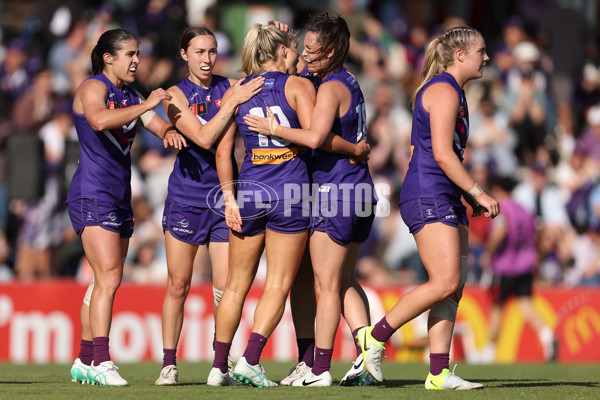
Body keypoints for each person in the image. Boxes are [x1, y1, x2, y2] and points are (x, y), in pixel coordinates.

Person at [354, 26, 500, 390]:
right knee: (446, 280)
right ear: (460, 55)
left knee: (453, 287)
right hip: (429, 193)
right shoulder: (443, 90)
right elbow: (441, 153)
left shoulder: (454, 92)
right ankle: (376, 337)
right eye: (481, 51)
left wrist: (465, 195)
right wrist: (478, 192)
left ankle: (437, 374)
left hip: (445, 193)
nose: (487, 57)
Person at [245, 12, 378, 387]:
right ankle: (369, 356)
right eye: (301, 51)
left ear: (332, 50)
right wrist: (284, 50)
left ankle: (319, 368)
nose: (305, 58)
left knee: (327, 285)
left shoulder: (332, 86)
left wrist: (274, 128)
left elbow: (316, 137)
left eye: (312, 52)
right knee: (345, 279)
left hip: (336, 190)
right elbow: (297, 81)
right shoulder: (340, 79)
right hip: (358, 189)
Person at [66, 29, 186, 386]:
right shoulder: (93, 87)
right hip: (92, 193)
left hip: (119, 196)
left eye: (138, 53)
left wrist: (171, 132)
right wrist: (147, 104)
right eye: (129, 54)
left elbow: (157, 124)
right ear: (108, 57)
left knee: (101, 282)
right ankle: (102, 361)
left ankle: (85, 360)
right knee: (109, 277)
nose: (136, 59)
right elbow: (100, 120)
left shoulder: (130, 94)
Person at [154, 26, 264, 386]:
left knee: (226, 286)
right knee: (178, 285)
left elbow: (269, 74)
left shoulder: (227, 85)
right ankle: (169, 364)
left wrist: (278, 39)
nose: (207, 59)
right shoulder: (173, 95)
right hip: (185, 199)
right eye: (199, 52)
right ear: (184, 55)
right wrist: (231, 102)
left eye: (212, 51)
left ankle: (222, 364)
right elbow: (202, 137)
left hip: (222, 199)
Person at [207, 22, 314, 388]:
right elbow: (316, 139)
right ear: (283, 51)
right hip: (291, 191)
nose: (299, 56)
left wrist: (228, 196)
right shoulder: (299, 85)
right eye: (294, 49)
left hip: (250, 190)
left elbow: (223, 151)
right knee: (277, 284)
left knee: (235, 285)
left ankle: (218, 367)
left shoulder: (239, 88)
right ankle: (251, 360)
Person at [481, 176, 556, 363]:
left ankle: (489, 352)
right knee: (526, 306)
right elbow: (538, 231)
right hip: (526, 265)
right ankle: (548, 337)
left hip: (505, 266)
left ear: (497, 188)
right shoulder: (524, 209)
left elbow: (501, 230)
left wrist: (488, 251)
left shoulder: (501, 208)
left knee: (497, 307)